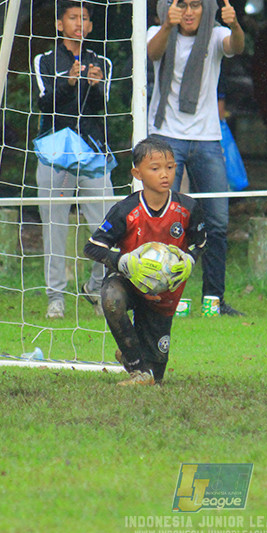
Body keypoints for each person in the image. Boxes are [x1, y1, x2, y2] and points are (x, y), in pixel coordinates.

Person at [146, 0, 245, 316]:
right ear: (171, 7)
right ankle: (166, 297)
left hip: (207, 138)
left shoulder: (215, 36)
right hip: (165, 138)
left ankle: (214, 299)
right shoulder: (155, 32)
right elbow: (152, 53)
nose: (189, 12)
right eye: (182, 5)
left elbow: (237, 46)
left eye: (195, 5)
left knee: (217, 220)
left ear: (206, 9)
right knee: (165, 221)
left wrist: (235, 24)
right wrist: (167, 25)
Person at [84, 137, 206, 386]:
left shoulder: (188, 208)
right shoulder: (125, 210)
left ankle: (132, 354)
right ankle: (137, 369)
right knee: (111, 297)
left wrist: (190, 259)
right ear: (137, 173)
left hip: (165, 294)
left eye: (170, 167)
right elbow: (92, 247)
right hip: (129, 282)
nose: (165, 174)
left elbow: (201, 242)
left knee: (158, 376)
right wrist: (123, 261)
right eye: (156, 168)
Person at [33, 0, 113, 319]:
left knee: (107, 224)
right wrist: (68, 83)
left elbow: (100, 106)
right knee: (55, 225)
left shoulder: (102, 63)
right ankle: (56, 297)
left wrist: (93, 86)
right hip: (54, 152)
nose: (78, 23)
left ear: (91, 25)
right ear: (59, 24)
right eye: (72, 17)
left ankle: (96, 288)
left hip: (92, 151)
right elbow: (44, 103)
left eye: (84, 18)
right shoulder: (45, 60)